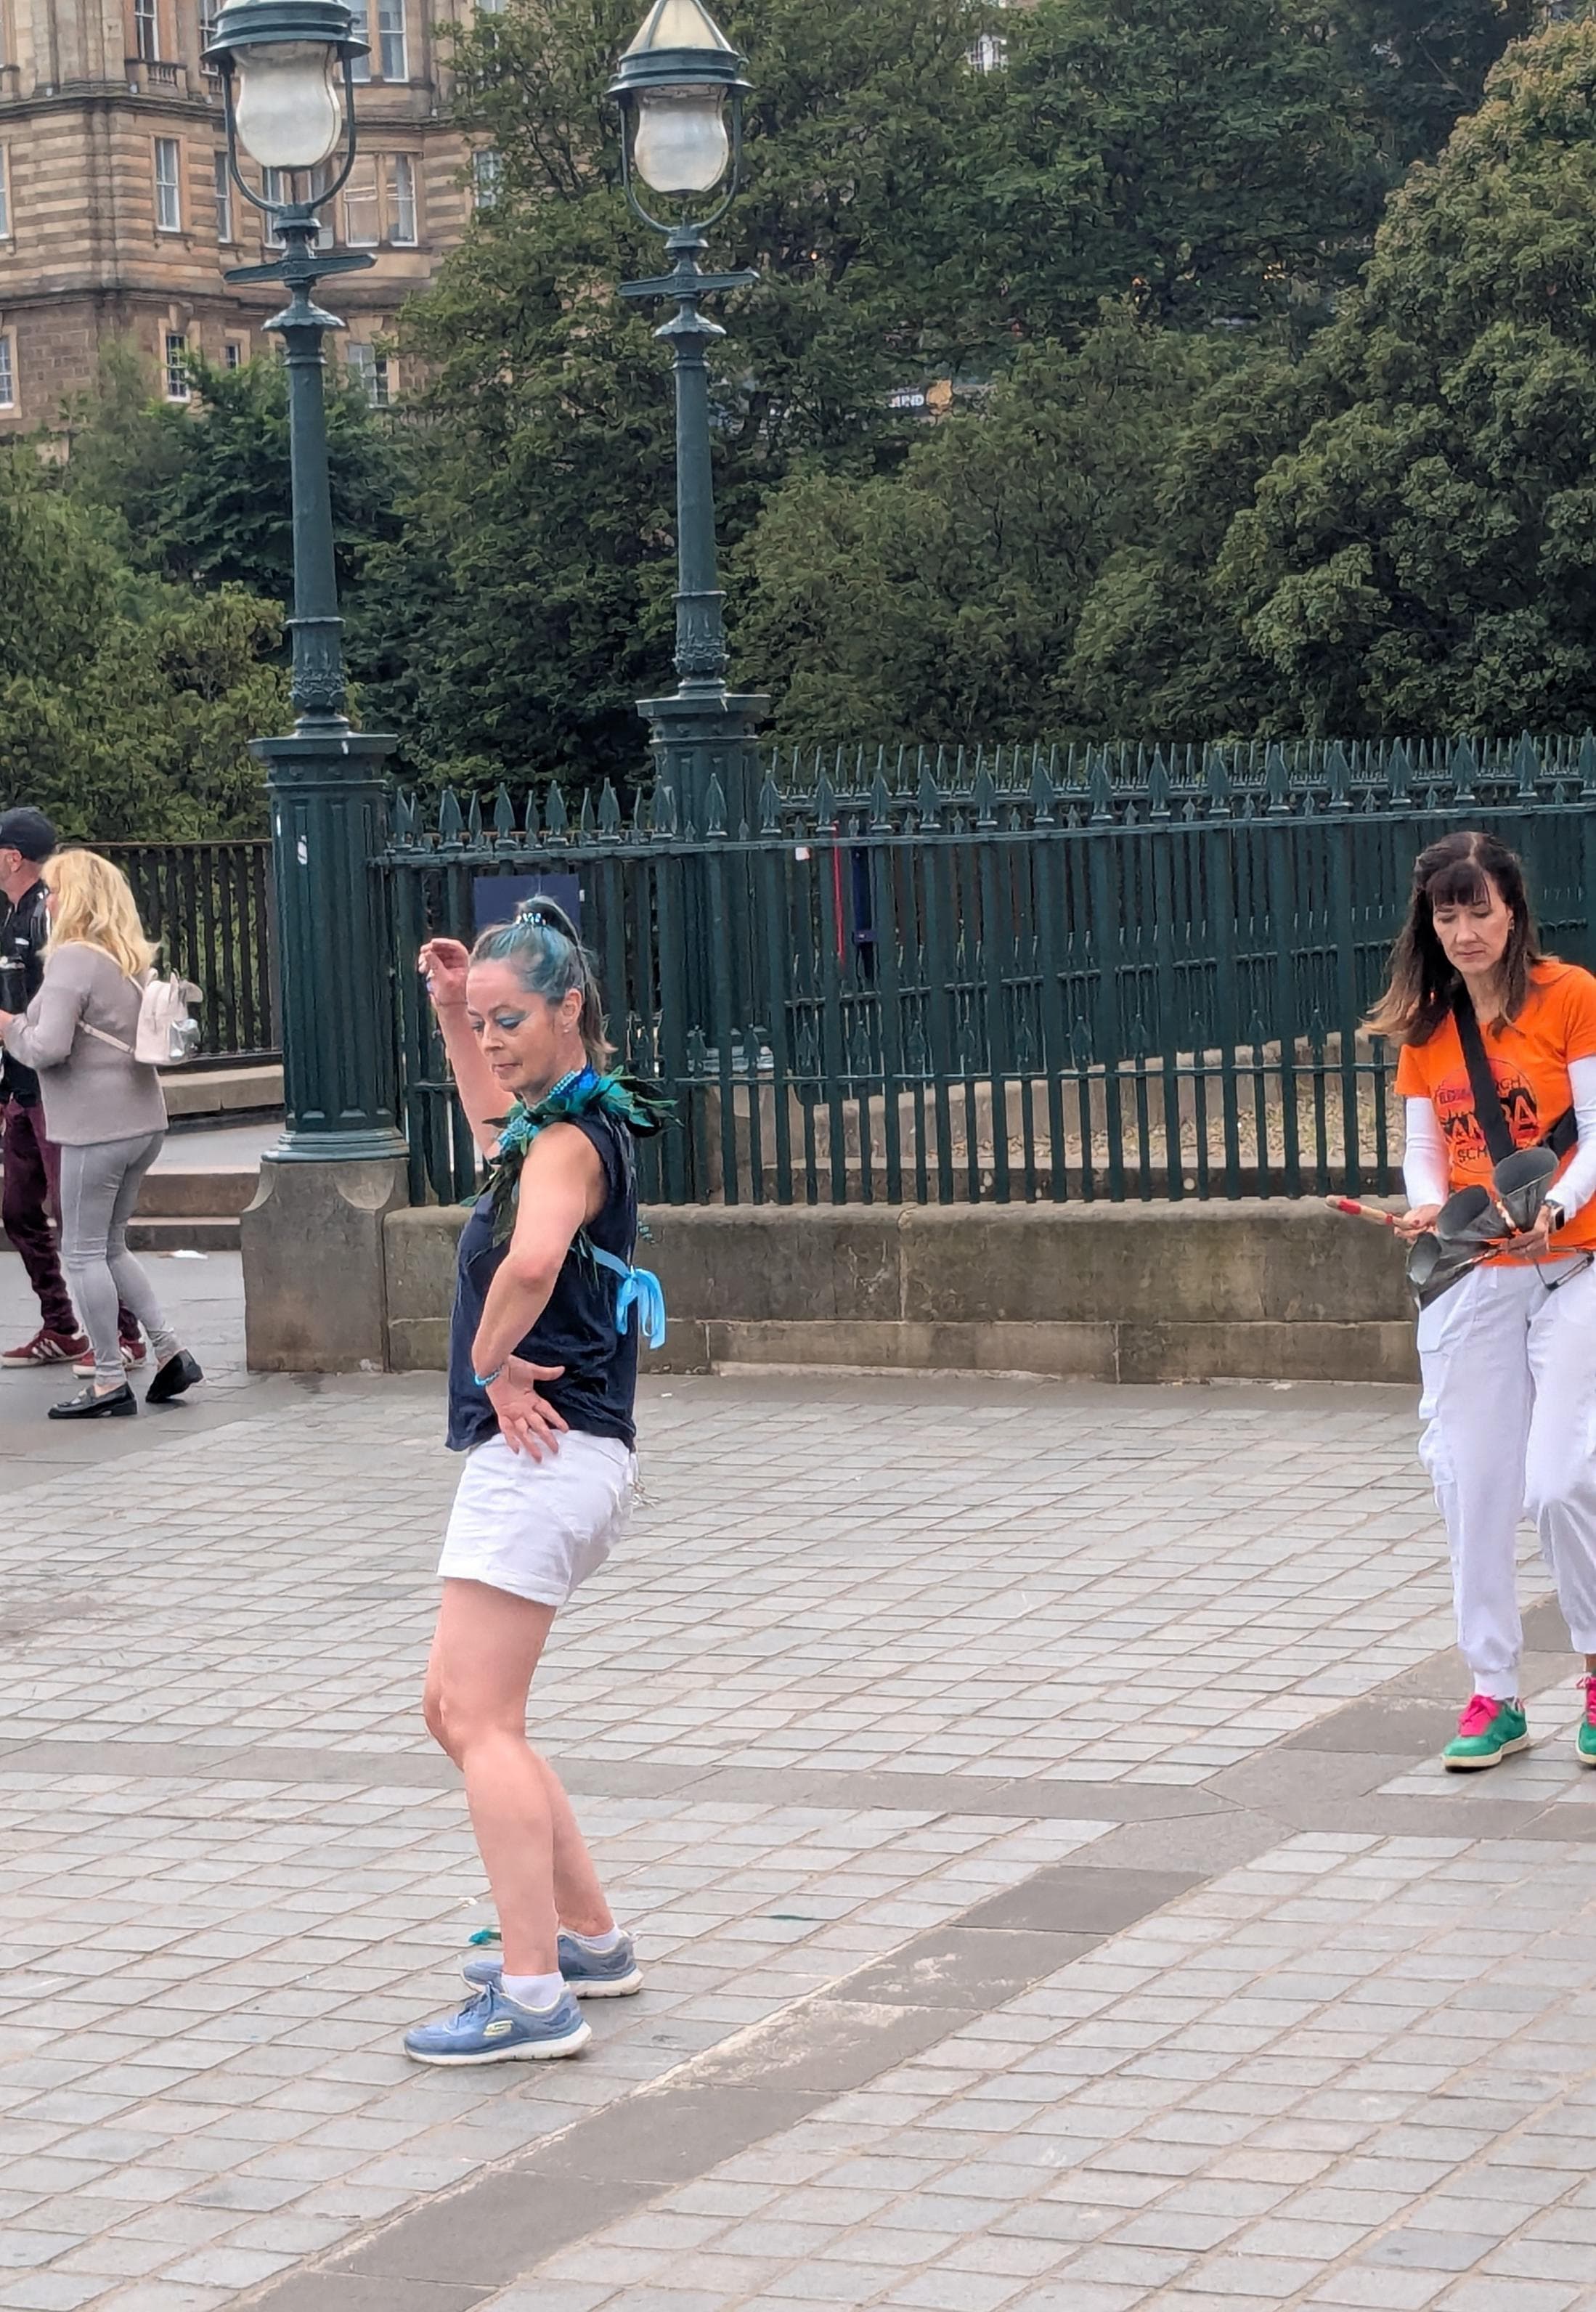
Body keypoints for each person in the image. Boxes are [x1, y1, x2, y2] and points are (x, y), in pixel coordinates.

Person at [402, 900, 667, 2067]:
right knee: (458, 1713)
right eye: (480, 1021)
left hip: (543, 1454)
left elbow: (533, 1257)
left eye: (509, 1019)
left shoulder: (565, 1145)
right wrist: (450, 1016)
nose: (493, 1039)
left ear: (570, 1010)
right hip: (563, 1458)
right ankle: (588, 1941)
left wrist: (485, 1358)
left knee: (476, 1720)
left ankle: (531, 1994)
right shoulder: (552, 1123)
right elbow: (485, 1113)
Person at [1369, 830, 1596, 1771]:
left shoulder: (1570, 996)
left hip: (1572, 1265)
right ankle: (1492, 1695)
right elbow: (1425, 1150)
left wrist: (1555, 1202)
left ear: (1512, 911)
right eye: (1445, 913)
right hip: (1473, 1275)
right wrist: (1425, 1205)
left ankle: (1590, 1673)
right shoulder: (1425, 1024)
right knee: (1469, 1485)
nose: (1463, 931)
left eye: (1479, 911)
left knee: (1561, 1482)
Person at [0, 848, 202, 1421]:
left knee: (82, 1252)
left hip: (96, 1125)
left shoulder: (72, 960)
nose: (51, 900)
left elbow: (47, 1047)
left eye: (59, 890)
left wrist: (6, 1027)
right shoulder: (126, 956)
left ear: (79, 899)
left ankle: (108, 1379)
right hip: (142, 1120)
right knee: (111, 1246)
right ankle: (169, 1350)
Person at [0, 808, 142, 1374]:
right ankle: (61, 1324)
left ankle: (123, 1335)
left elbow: (48, 1018)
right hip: (23, 1088)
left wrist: (11, 1028)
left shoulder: (45, 918)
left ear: (12, 856)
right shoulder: (11, 914)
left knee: (78, 1221)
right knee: (19, 1209)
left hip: (58, 1090)